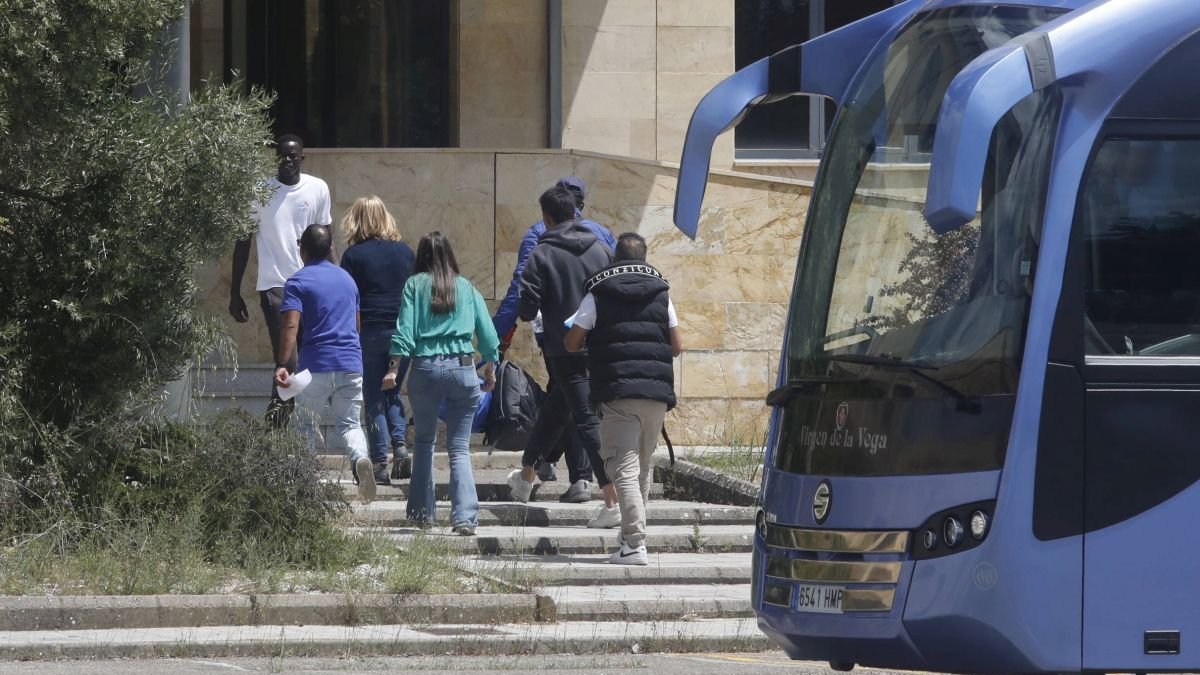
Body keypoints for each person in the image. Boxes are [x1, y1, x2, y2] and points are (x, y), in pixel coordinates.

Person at [493, 177, 616, 501]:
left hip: (561, 346)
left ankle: (610, 495)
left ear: (547, 218)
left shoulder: (542, 249)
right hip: (598, 343)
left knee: (584, 417)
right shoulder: (601, 246)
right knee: (555, 408)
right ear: (578, 211)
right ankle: (526, 475)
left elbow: (526, 306)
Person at [564, 232, 682, 565]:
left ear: (615, 258)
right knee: (642, 469)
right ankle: (628, 542)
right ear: (644, 258)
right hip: (656, 394)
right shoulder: (662, 292)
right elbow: (676, 345)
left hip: (617, 392)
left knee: (622, 468)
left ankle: (634, 543)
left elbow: (572, 342)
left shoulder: (598, 292)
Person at [383, 232, 499, 536]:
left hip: (425, 368)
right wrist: (490, 366)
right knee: (459, 447)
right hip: (462, 369)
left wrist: (393, 368)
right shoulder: (466, 286)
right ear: (449, 255)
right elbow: (487, 333)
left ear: (420, 257)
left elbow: (404, 331)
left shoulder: (414, 285)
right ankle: (464, 518)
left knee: (423, 443)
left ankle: (423, 515)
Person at [229, 133, 332, 428]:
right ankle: (275, 431)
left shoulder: (317, 189)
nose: (287, 160)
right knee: (288, 361)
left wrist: (338, 280)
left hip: (311, 284)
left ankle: (284, 431)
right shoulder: (259, 191)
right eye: (282, 155)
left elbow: (327, 240)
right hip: (276, 288)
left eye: (292, 155)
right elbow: (243, 241)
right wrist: (235, 292)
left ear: (302, 157)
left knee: (303, 361)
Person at [273, 225, 374, 504]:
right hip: (351, 362)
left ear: (302, 250)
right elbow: (356, 325)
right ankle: (360, 461)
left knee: (305, 423)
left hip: (316, 364)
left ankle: (307, 482)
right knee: (350, 423)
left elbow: (291, 324)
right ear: (330, 248)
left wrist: (283, 363)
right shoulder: (347, 281)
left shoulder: (297, 281)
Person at [339, 196, 415, 485]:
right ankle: (400, 446)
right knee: (392, 392)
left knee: (372, 397)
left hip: (369, 330)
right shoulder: (405, 253)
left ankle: (380, 463)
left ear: (356, 219)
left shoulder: (353, 256)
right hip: (402, 332)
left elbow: (349, 298)